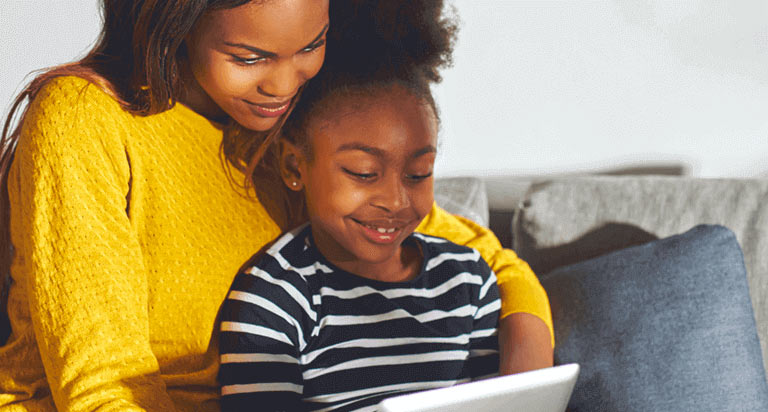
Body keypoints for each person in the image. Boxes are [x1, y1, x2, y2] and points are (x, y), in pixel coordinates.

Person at [0, 1, 552, 411]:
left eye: (312, 45)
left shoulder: (287, 130)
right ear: (177, 25)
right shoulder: (82, 121)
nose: (285, 84)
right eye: (250, 57)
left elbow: (492, 264)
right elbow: (103, 385)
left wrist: (520, 394)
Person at [218, 65, 503, 410]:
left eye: (418, 174)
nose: (395, 201)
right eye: (364, 173)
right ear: (295, 167)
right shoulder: (275, 301)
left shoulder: (468, 280)